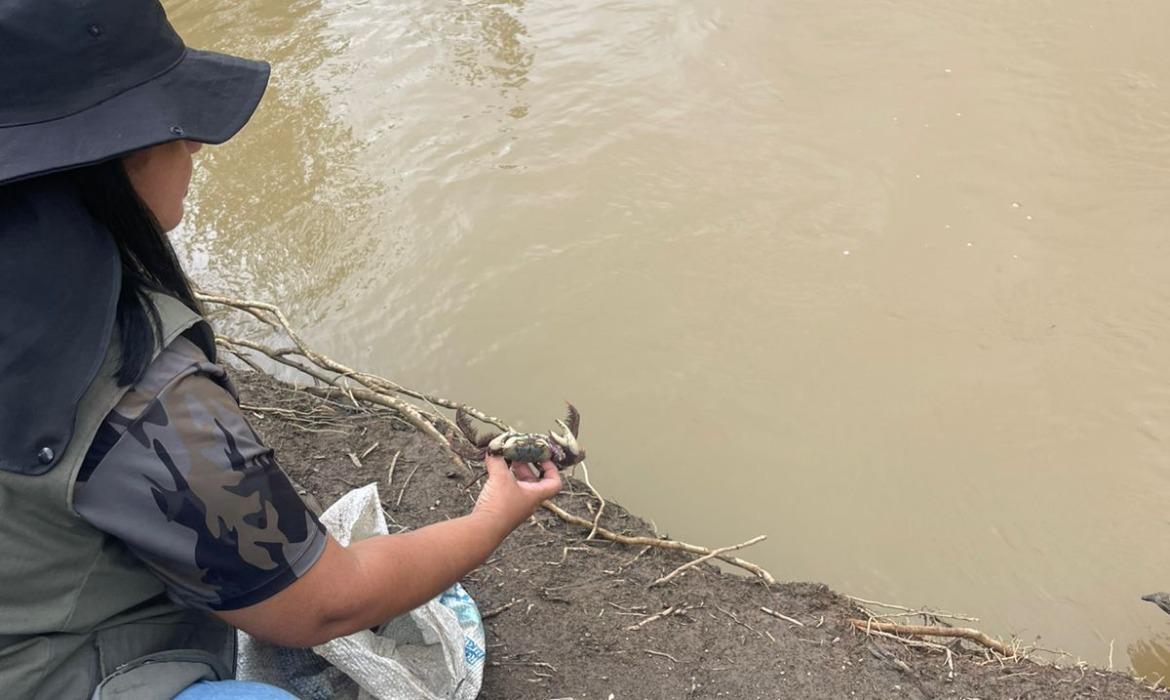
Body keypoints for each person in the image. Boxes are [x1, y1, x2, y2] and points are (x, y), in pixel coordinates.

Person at [0, 1, 562, 698]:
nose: (197, 149)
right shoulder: (136, 387)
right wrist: (492, 515)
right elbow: (325, 603)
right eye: (179, 127)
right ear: (120, 155)